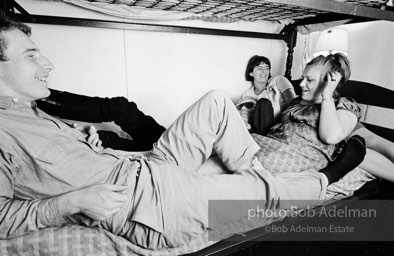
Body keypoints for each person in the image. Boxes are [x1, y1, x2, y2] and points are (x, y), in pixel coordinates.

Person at [0, 17, 353, 250]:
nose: (47, 64)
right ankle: (325, 178)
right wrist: (72, 202)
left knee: (216, 101)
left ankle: (248, 176)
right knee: (261, 192)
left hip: (148, 167)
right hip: (148, 204)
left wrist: (83, 142)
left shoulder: (22, 110)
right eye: (32, 55)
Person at [36, 88, 166, 151]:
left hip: (169, 164)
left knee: (100, 139)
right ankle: (38, 96)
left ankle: (33, 122)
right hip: (170, 145)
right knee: (121, 108)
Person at [239, 55, 297, 134]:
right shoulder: (247, 94)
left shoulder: (278, 80)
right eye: (259, 68)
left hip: (281, 125)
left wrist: (275, 101)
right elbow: (245, 117)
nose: (264, 71)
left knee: (263, 103)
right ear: (251, 73)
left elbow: (295, 105)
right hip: (257, 129)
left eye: (267, 68)